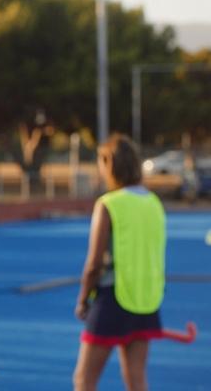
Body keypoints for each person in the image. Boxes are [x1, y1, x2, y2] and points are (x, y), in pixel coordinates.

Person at [74, 134, 166, 391]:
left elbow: (94, 263)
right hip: (147, 298)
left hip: (113, 298)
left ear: (110, 163)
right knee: (136, 379)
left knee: (84, 379)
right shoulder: (154, 203)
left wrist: (83, 299)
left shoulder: (109, 204)